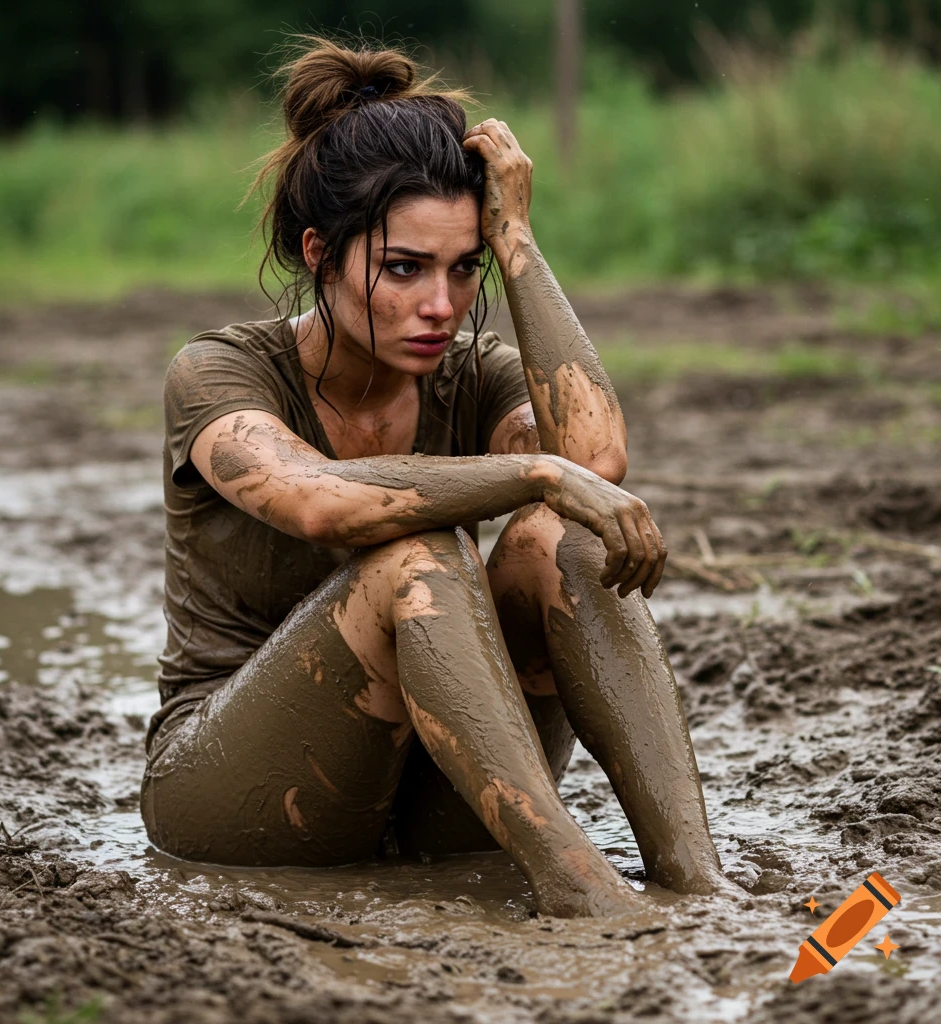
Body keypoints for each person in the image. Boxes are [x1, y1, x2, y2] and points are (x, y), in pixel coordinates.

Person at [141, 38, 731, 918]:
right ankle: (584, 891)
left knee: (554, 536)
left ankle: (697, 878)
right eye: (405, 268)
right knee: (415, 551)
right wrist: (536, 470)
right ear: (318, 253)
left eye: (465, 269)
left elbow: (598, 464)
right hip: (242, 791)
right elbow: (319, 503)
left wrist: (519, 239)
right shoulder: (219, 373)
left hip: (437, 784)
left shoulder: (472, 369)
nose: (441, 307)